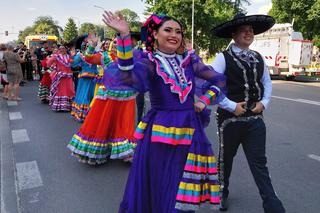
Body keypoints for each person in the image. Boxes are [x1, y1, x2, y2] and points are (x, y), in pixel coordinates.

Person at [102, 12, 227, 212]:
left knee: (182, 185)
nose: (174, 35)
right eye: (167, 30)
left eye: (178, 31)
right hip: (160, 135)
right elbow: (128, 76)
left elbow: (219, 80)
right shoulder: (150, 61)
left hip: (190, 130)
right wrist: (124, 36)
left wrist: (204, 100)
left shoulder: (189, 60)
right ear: (155, 35)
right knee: (161, 183)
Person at [211, 13, 286, 212]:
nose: (249, 32)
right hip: (230, 121)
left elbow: (266, 83)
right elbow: (211, 87)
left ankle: (272, 204)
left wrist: (264, 103)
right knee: (225, 160)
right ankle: (222, 191)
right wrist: (230, 105)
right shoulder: (222, 57)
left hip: (255, 120)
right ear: (233, 34)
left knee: (259, 163)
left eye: (251, 29)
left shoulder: (258, 57)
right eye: (244, 29)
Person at [66, 34, 137, 165]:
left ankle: (127, 151)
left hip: (127, 96)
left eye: (119, 42)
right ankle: (98, 150)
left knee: (124, 123)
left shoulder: (132, 57)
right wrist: (92, 46)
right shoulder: (105, 56)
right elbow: (88, 58)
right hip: (107, 95)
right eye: (114, 42)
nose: (116, 44)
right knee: (103, 122)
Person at [70, 35, 98, 122]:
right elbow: (72, 64)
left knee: (90, 95)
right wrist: (72, 57)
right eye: (87, 45)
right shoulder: (81, 55)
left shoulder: (96, 54)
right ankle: (86, 114)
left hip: (93, 77)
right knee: (86, 94)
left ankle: (90, 114)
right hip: (87, 78)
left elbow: (73, 64)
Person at [47, 45, 75, 111]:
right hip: (60, 76)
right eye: (60, 48)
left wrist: (73, 57)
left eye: (63, 48)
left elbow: (73, 64)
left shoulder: (69, 56)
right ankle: (60, 106)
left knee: (70, 89)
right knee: (60, 90)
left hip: (68, 76)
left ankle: (69, 105)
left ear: (66, 49)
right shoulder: (57, 56)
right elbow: (48, 63)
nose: (62, 50)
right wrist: (53, 61)